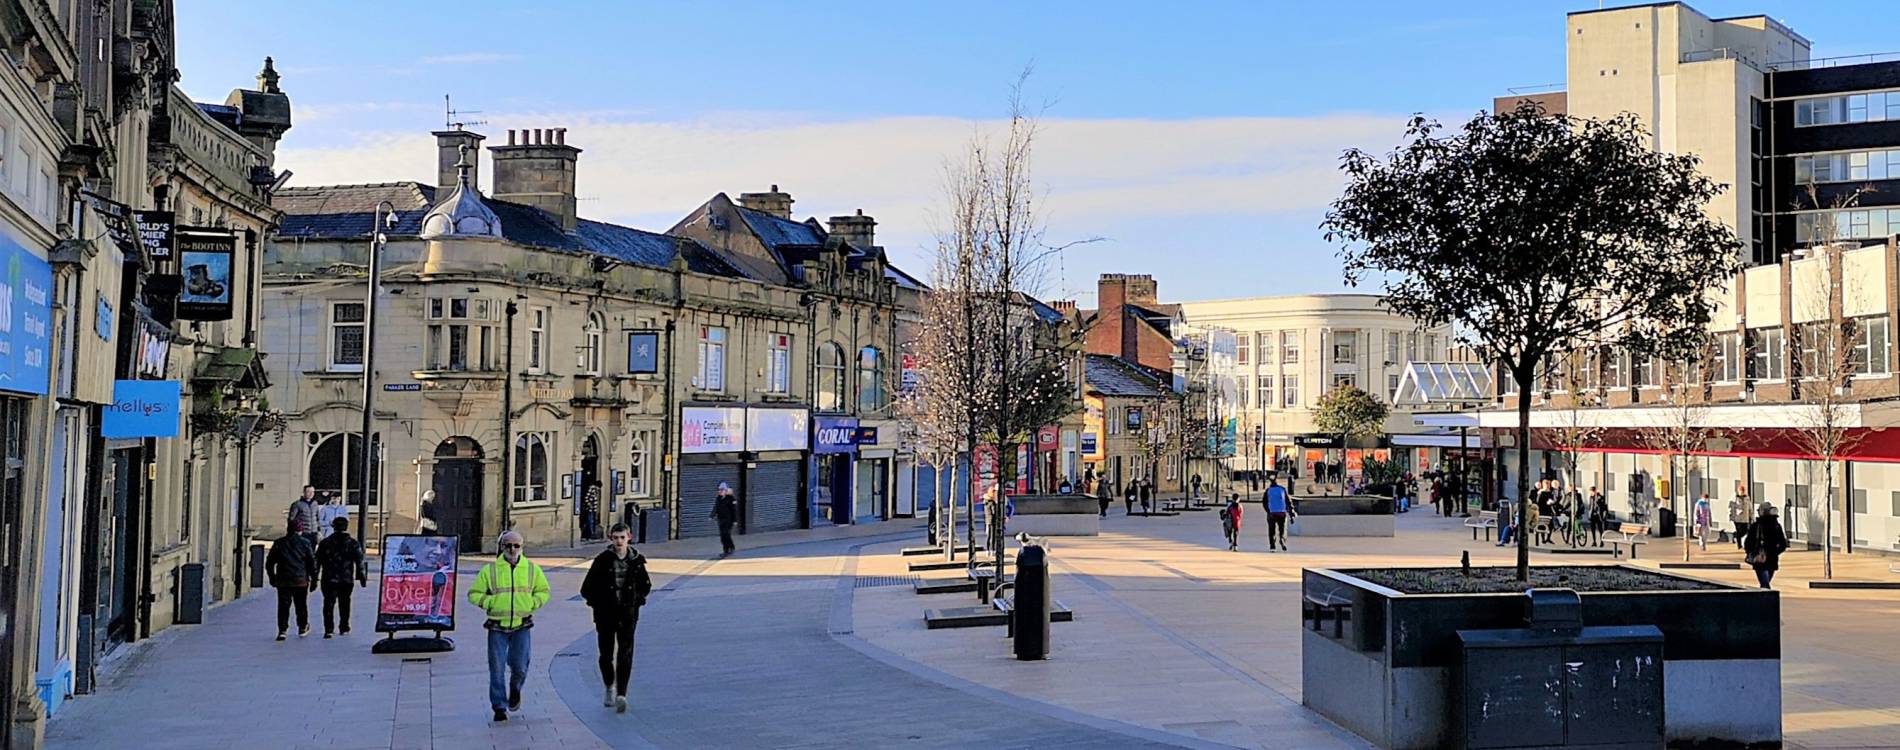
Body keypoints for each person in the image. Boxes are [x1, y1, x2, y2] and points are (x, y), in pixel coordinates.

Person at [469, 530, 551, 722]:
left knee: (520, 665)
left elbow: (544, 591)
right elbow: (474, 594)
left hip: (522, 624)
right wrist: (490, 602)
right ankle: (499, 706)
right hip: (497, 625)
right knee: (496, 668)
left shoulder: (532, 569)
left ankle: (515, 689)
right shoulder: (489, 571)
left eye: (516, 545)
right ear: (501, 547)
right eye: (508, 545)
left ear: (522, 547)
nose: (512, 549)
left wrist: (532, 603)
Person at [581, 523, 652, 714]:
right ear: (610, 538)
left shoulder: (637, 561)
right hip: (605, 615)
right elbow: (586, 588)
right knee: (605, 654)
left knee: (625, 654)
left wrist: (637, 601)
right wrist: (597, 604)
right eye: (616, 537)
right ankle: (608, 686)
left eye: (622, 537)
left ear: (629, 537)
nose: (619, 541)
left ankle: (622, 693)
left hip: (628, 615)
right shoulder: (602, 561)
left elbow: (645, 585)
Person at [315, 516, 367, 638]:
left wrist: (314, 577)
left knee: (328, 603)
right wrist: (362, 576)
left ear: (333, 527)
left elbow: (317, 561)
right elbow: (359, 561)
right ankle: (344, 626)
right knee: (345, 603)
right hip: (346, 578)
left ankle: (329, 629)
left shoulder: (325, 543)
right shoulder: (353, 543)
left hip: (329, 578)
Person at [265, 520, 318, 641]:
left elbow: (270, 563)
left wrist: (272, 577)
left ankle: (282, 630)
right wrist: (314, 579)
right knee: (301, 604)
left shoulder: (279, 543)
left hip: (283, 579)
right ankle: (302, 626)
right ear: (300, 530)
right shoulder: (305, 543)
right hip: (300, 579)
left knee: (283, 605)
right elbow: (311, 562)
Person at [1742, 504, 1789, 589]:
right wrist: (1775, 552)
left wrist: (1751, 552)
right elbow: (1783, 544)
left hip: (1759, 558)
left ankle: (1765, 599)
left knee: (1764, 584)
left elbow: (1748, 542)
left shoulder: (1756, 525)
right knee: (1765, 583)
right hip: (1772, 559)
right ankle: (1766, 598)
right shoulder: (1776, 526)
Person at [710, 483, 739, 556]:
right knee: (722, 536)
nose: (720, 491)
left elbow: (734, 510)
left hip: (729, 520)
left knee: (726, 534)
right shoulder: (718, 498)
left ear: (725, 490)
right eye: (719, 490)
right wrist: (711, 515)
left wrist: (735, 520)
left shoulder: (731, 499)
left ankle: (731, 547)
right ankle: (725, 550)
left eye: (721, 490)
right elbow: (715, 508)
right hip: (721, 520)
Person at [1264, 479, 1290, 551]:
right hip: (1282, 512)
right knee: (1282, 528)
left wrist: (1268, 511)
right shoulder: (1282, 489)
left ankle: (1272, 546)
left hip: (1272, 512)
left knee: (1271, 530)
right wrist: (1290, 511)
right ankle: (1282, 539)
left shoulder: (1268, 491)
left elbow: (1264, 502)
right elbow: (1288, 501)